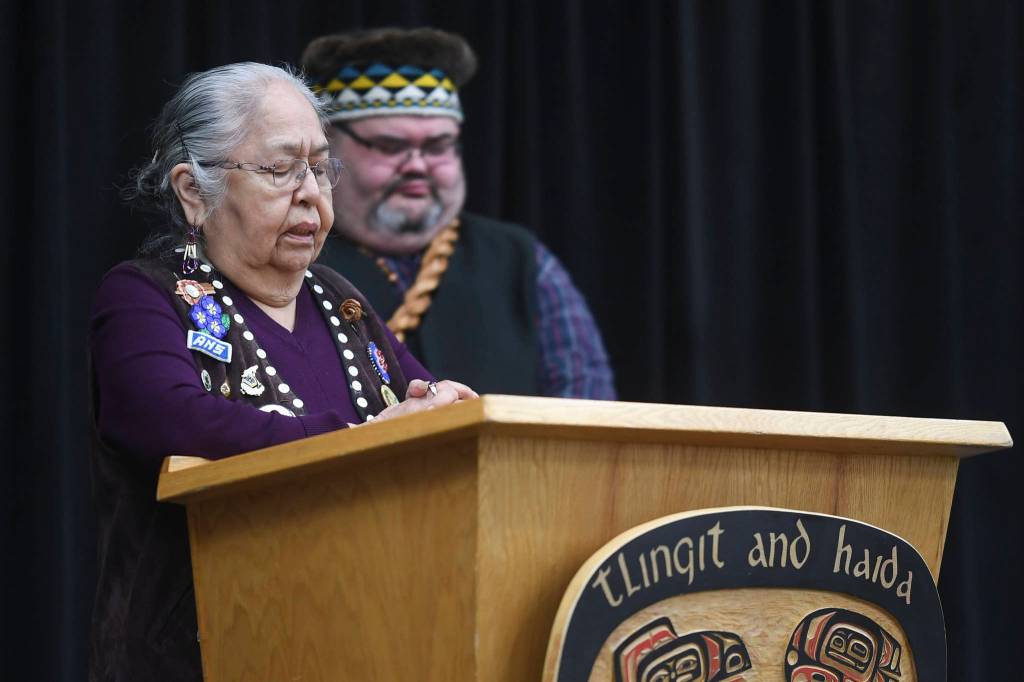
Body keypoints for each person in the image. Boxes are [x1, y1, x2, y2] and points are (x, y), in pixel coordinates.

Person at [88, 62, 475, 681]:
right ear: (194, 190)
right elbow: (168, 418)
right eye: (278, 169)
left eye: (319, 167)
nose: (311, 193)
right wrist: (360, 442)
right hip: (203, 653)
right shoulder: (143, 296)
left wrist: (449, 410)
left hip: (369, 643)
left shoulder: (340, 300)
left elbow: (418, 401)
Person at [301, 27, 617, 399]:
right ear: (327, 151)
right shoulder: (289, 253)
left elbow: (586, 414)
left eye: (438, 146)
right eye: (390, 145)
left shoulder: (522, 262)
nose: (417, 165)